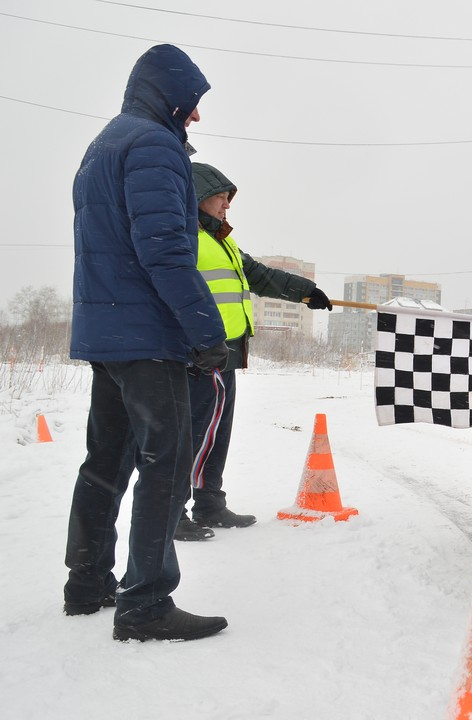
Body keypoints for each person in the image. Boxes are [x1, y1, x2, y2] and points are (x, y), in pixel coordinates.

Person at [64, 44, 230, 642]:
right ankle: (147, 603)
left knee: (105, 459)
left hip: (107, 336)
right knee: (167, 463)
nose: (196, 116)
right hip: (148, 336)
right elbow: (163, 252)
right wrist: (207, 332)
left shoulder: (103, 144)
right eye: (193, 102)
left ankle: (87, 583)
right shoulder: (154, 147)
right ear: (169, 91)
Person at [174, 162, 332, 541]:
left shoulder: (221, 240)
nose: (227, 205)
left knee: (217, 433)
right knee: (191, 435)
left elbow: (259, 275)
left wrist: (305, 291)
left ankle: (209, 502)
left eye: (229, 199)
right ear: (197, 197)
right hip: (197, 352)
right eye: (220, 198)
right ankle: (172, 512)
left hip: (224, 352)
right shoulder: (184, 236)